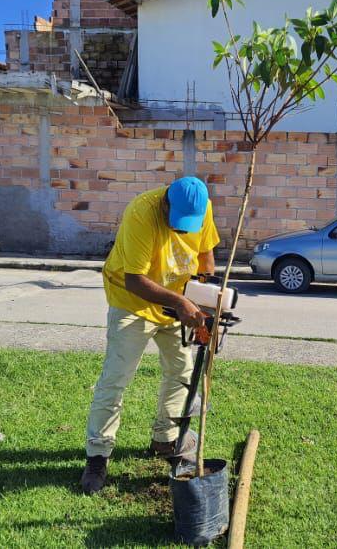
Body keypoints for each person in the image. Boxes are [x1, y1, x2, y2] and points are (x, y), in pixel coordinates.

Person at [81, 176, 219, 495]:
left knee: (182, 373)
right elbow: (135, 280)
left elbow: (205, 256)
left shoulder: (203, 207)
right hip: (133, 303)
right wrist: (182, 302)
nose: (184, 230)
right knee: (115, 379)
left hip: (177, 302)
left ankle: (165, 440)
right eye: (179, 222)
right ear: (166, 203)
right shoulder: (142, 212)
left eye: (190, 224)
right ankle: (97, 457)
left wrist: (202, 297)